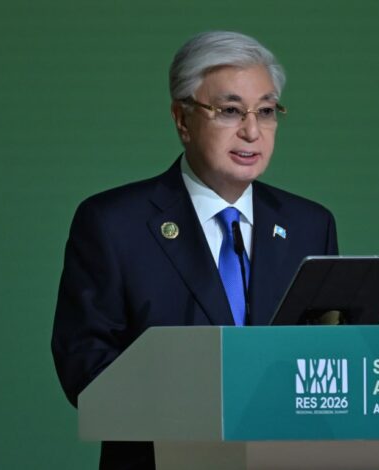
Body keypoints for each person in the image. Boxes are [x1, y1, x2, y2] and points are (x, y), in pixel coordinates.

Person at [51, 31, 338, 469]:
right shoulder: (114, 223)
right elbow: (85, 368)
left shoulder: (309, 226)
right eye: (230, 111)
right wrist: (200, 400)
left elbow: (330, 362)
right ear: (182, 119)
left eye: (265, 111)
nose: (252, 131)